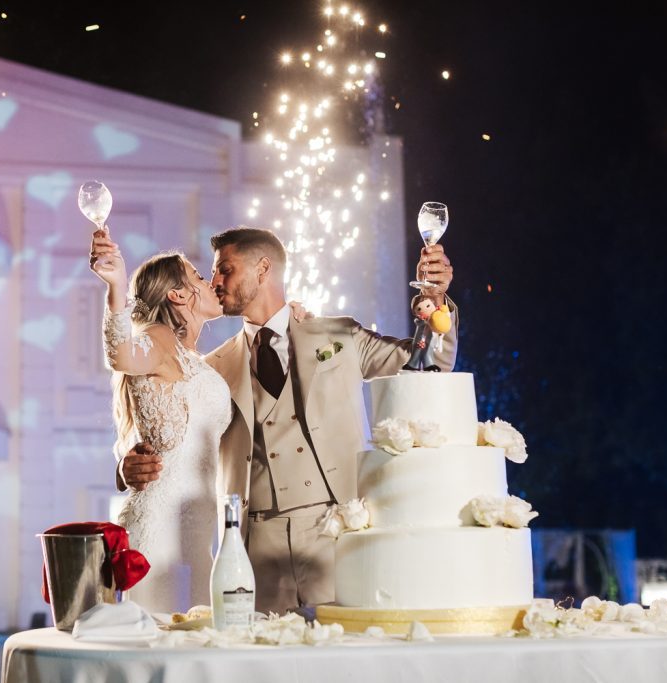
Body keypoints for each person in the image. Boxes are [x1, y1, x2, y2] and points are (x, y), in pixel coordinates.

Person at [118, 226, 457, 614]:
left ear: (263, 269)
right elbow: (174, 437)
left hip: (337, 533)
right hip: (253, 546)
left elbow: (428, 362)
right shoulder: (210, 370)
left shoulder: (340, 335)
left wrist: (436, 300)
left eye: (225, 269)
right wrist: (127, 465)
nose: (214, 282)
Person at [88, 227, 231, 614]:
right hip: (160, 528)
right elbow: (121, 354)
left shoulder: (196, 362)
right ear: (179, 294)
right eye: (199, 276)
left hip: (201, 529)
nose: (210, 282)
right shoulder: (160, 338)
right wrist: (116, 285)